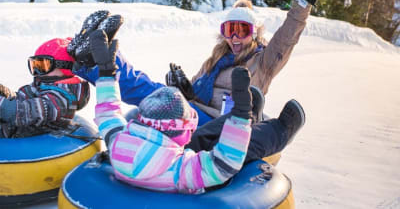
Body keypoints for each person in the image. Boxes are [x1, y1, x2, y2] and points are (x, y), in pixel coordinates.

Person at [71, 0, 339, 127]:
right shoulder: (217, 58)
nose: (234, 37)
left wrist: (304, 1)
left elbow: (288, 36)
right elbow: (196, 97)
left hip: (223, 126)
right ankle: (95, 55)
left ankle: (97, 59)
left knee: (152, 94)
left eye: (241, 30)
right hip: (197, 113)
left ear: (254, 34)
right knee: (151, 89)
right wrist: (185, 88)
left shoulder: (266, 61)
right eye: (229, 30)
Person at [89, 29, 302, 193]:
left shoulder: (118, 144)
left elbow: (108, 114)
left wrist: (107, 74)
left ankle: (240, 116)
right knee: (244, 147)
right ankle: (279, 130)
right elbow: (225, 161)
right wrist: (241, 117)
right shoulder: (180, 172)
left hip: (161, 149)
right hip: (189, 182)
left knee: (202, 135)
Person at [0, 38, 90, 138]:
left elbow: (24, 112)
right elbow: (23, 98)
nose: (38, 72)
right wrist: (5, 93)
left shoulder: (62, 98)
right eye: (35, 65)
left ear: (65, 67)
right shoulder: (44, 84)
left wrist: (3, 105)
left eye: (43, 66)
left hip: (22, 135)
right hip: (16, 127)